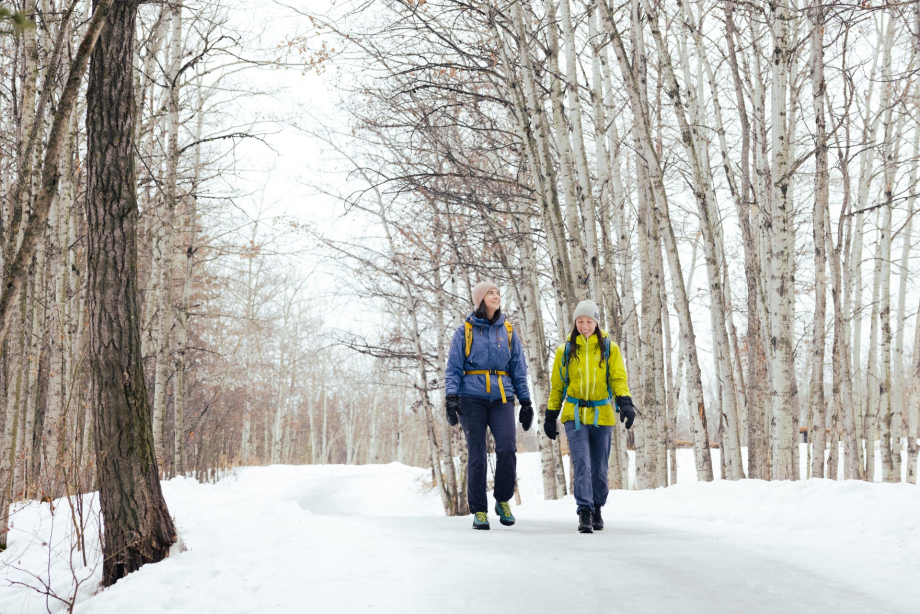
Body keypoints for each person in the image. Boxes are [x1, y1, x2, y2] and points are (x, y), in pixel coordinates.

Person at [445, 282, 532, 530]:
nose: (496, 296)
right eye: (491, 293)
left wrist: (525, 401)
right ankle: (479, 510)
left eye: (498, 293)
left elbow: (518, 369)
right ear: (481, 299)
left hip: (502, 397)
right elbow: (453, 368)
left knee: (507, 448)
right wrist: (451, 398)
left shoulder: (508, 331)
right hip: (471, 398)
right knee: (477, 454)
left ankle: (502, 500)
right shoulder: (465, 331)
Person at [544, 300, 636, 534]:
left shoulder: (609, 348)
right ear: (574, 323)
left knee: (600, 467)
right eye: (580, 321)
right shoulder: (565, 351)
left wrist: (624, 401)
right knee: (582, 462)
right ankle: (584, 511)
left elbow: (617, 378)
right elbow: (557, 386)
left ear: (596, 322)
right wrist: (551, 413)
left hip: (602, 414)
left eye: (588, 321)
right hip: (574, 414)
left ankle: (597, 506)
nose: (584, 326)